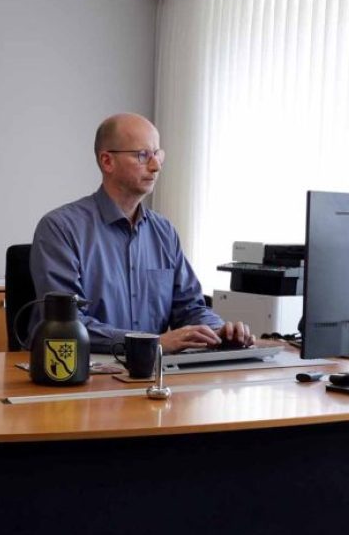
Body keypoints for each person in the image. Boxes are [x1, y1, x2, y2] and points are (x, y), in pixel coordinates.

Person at [29, 113, 253, 354]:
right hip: (79, 367)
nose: (156, 166)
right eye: (143, 155)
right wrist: (150, 343)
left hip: (151, 369)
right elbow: (67, 324)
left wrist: (219, 332)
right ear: (107, 161)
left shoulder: (164, 232)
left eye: (157, 154)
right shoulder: (60, 228)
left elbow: (189, 308)